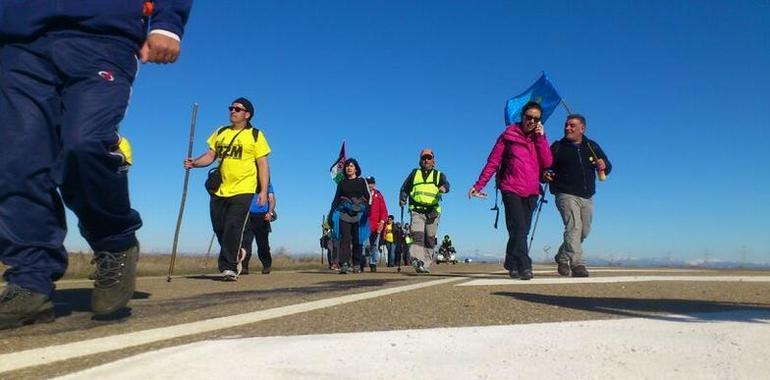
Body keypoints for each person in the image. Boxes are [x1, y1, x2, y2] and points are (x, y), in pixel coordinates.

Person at [0, 1, 192, 329]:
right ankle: (30, 279)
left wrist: (167, 22)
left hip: (104, 34)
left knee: (84, 143)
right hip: (19, 40)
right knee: (15, 158)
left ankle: (114, 241)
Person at [184, 98, 271, 281]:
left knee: (234, 225)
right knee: (220, 227)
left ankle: (229, 267)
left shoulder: (255, 135)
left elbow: (262, 164)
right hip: (220, 188)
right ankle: (237, 251)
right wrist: (195, 163)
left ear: (247, 114)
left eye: (238, 109)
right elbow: (210, 155)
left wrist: (263, 191)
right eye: (231, 108)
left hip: (244, 188)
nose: (233, 111)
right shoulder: (221, 132)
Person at [469, 101, 552, 280]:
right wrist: (478, 185)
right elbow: (493, 162)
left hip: (532, 191)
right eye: (528, 117)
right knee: (519, 228)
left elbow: (547, 163)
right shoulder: (508, 136)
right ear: (522, 116)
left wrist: (542, 139)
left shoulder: (538, 139)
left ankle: (511, 263)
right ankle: (525, 265)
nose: (531, 121)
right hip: (511, 188)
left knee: (521, 230)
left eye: (536, 119)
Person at [543, 114, 612, 278]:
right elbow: (545, 168)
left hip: (587, 196)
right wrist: (545, 174)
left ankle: (562, 256)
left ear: (582, 128)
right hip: (565, 193)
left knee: (584, 231)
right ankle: (578, 264)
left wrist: (604, 165)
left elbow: (607, 166)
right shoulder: (558, 147)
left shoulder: (591, 146)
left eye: (572, 125)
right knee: (573, 227)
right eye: (566, 125)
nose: (567, 128)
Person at [399, 148, 450, 274]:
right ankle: (418, 261)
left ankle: (425, 264)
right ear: (420, 161)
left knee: (430, 239)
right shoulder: (414, 173)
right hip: (417, 211)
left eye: (429, 158)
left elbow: (447, 184)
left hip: (433, 212)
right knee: (417, 236)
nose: (426, 160)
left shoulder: (438, 175)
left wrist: (444, 188)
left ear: (433, 161)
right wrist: (402, 199)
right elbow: (405, 188)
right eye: (424, 158)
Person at [328, 159, 371, 274]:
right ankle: (344, 264)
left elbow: (368, 197)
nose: (349, 168)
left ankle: (356, 264)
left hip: (359, 214)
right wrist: (331, 213)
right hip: (344, 213)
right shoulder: (342, 183)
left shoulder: (362, 181)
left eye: (351, 166)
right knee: (345, 239)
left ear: (356, 168)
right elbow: (336, 199)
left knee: (357, 240)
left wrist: (368, 210)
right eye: (347, 166)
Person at [241, 183, 276, 275]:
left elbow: (271, 199)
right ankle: (244, 267)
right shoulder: (247, 181)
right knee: (245, 242)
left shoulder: (267, 184)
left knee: (263, 243)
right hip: (247, 215)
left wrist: (270, 212)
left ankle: (266, 265)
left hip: (262, 216)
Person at [365, 177, 388, 272]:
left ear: (374, 184)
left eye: (371, 183)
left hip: (376, 225)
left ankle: (373, 263)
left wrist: (382, 222)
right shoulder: (362, 194)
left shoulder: (378, 195)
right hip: (364, 225)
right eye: (368, 183)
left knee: (375, 245)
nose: (370, 185)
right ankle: (362, 262)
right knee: (364, 245)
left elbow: (384, 211)